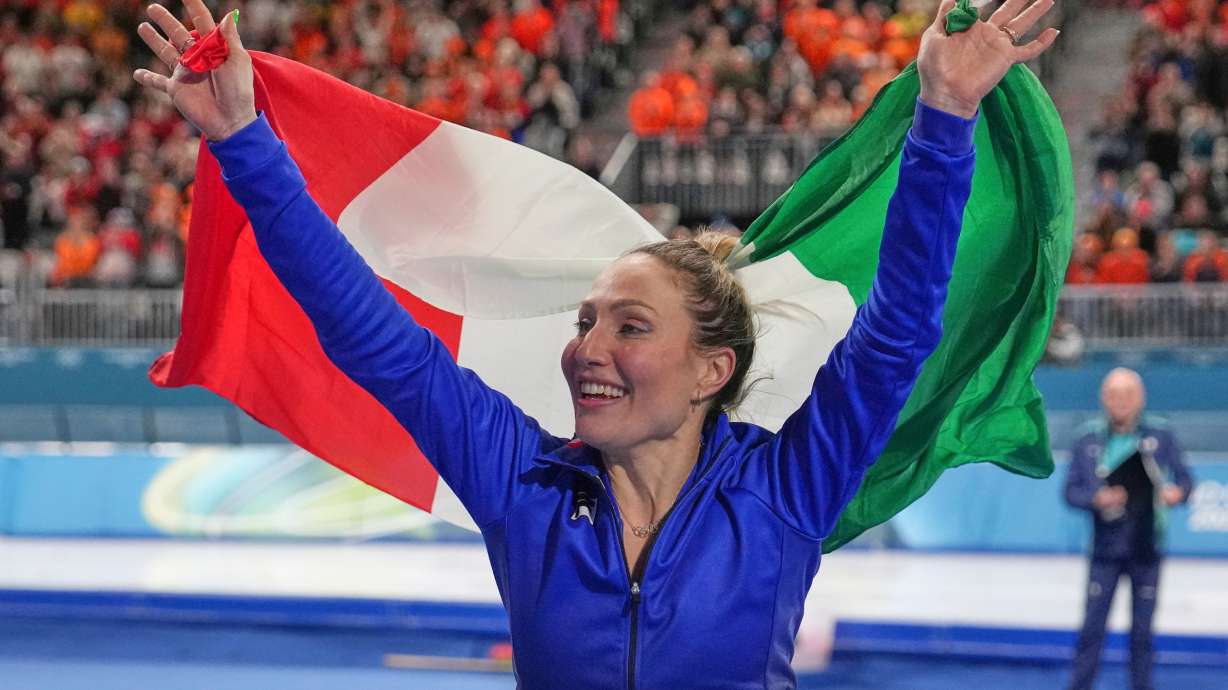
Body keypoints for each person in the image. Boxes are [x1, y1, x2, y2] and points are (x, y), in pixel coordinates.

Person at [133, 0, 1058, 686]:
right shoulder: (517, 481)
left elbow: (897, 331)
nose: (586, 349)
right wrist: (244, 142)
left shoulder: (788, 490)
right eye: (584, 322)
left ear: (713, 369)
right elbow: (373, 335)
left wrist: (944, 114)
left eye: (629, 325)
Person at [1064, 368, 1193, 690]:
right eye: (1114, 395)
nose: (1121, 402)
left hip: (1146, 548)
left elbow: (1186, 481)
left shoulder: (1161, 436)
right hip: (1105, 549)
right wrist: (1098, 498)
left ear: (1141, 398)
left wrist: (1175, 493)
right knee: (1092, 629)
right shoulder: (1087, 439)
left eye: (1128, 395)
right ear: (1103, 399)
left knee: (1142, 633)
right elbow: (1070, 492)